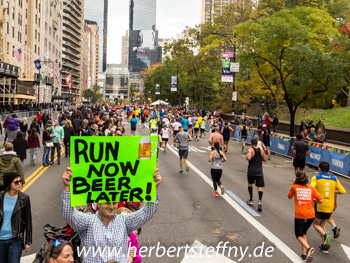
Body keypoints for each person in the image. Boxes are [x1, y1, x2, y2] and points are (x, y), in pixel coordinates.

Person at [61, 167, 161, 263]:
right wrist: (67, 187)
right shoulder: (88, 222)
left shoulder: (124, 221)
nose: (112, 206)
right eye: (107, 202)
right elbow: (69, 213)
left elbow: (147, 212)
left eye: (114, 203)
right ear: (98, 204)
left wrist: (154, 188)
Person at [310, 161, 346, 254]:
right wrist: (333, 192)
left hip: (319, 205)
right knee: (323, 224)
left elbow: (311, 188)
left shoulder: (316, 178)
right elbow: (343, 191)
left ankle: (326, 235)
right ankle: (324, 246)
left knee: (316, 224)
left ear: (319, 169)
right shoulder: (334, 179)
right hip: (330, 206)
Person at [288, 171, 323, 262]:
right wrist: (312, 201)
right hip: (311, 215)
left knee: (298, 235)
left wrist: (293, 184)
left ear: (297, 179)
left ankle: (308, 248)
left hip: (300, 215)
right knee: (304, 233)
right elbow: (321, 200)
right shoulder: (311, 188)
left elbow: (289, 196)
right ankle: (304, 254)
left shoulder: (294, 187)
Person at [0, 172, 32, 263]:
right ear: (9, 184)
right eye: (16, 182)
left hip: (15, 240)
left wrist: (28, 241)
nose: (19, 184)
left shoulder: (24, 198)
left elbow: (28, 220)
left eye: (20, 181)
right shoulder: (0, 197)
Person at [246, 138, 267, 212]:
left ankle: (251, 199)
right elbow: (265, 159)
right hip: (259, 171)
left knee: (250, 184)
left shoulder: (250, 150)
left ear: (251, 143)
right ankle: (260, 201)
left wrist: (247, 156)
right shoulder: (261, 151)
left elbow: (248, 158)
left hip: (251, 170)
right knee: (260, 186)